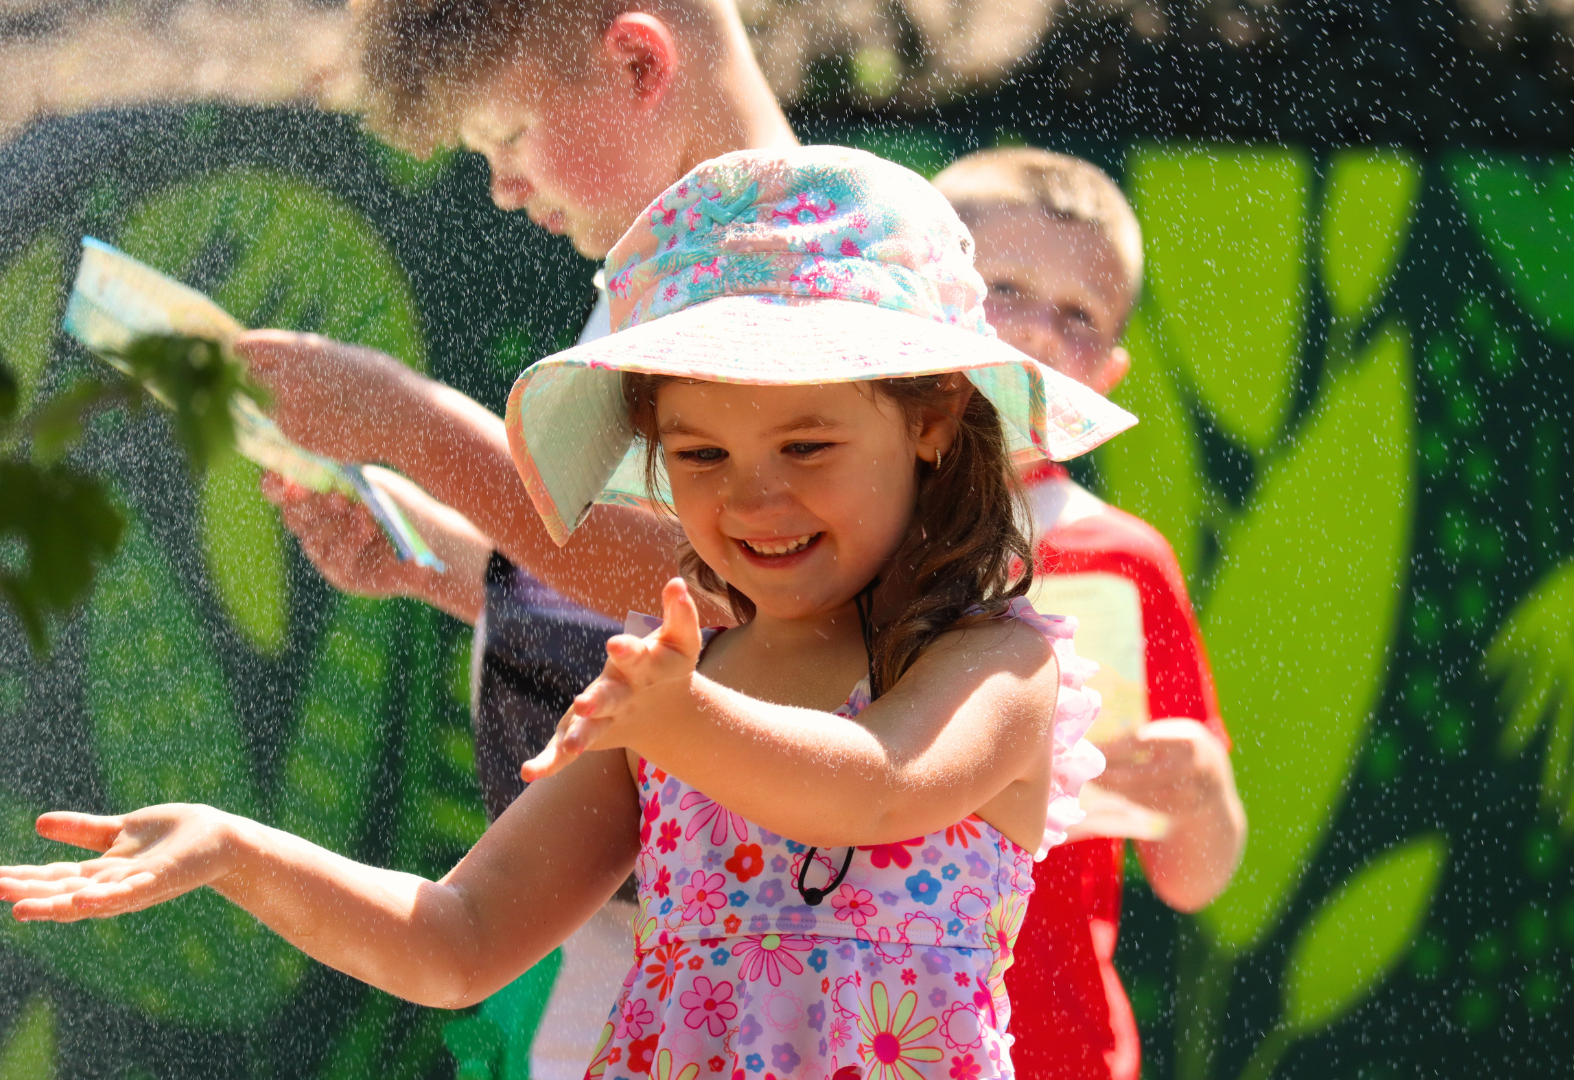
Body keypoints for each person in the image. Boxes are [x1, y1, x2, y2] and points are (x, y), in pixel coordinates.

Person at [1, 146, 1136, 1079]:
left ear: (934, 422)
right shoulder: (676, 683)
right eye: (699, 453)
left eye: (809, 444)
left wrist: (676, 720)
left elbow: (874, 784)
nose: (753, 496)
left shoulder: (995, 665)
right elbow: (456, 941)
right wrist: (235, 850)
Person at [239, 0, 799, 1069]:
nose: (500, 183)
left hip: (760, 987)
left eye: (507, 135)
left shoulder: (790, 270)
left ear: (639, 61)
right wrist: (434, 560)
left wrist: (410, 422)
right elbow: (659, 615)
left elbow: (723, 579)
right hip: (658, 958)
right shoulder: (670, 274)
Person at [933, 148, 1246, 1080]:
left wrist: (1201, 794)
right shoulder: (829, 537)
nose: (1035, 334)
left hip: (1060, 1049)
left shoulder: (1126, 562)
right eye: (1003, 290)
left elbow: (1194, 879)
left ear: (1108, 375)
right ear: (918, 305)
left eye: (1078, 317)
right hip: (845, 1033)